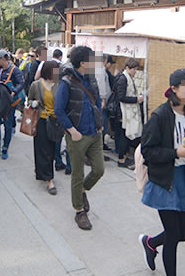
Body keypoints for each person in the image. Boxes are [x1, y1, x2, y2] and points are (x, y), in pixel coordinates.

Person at [139, 68, 185, 276]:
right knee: (174, 235)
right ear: (174, 89)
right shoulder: (159, 116)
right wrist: (176, 152)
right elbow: (147, 151)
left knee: (184, 234)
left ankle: (150, 243)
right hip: (165, 181)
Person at [54, 45, 105, 230]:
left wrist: (100, 123)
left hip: (95, 133)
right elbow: (58, 110)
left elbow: (97, 101)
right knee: (77, 174)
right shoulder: (66, 82)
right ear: (83, 63)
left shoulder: (92, 79)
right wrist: (71, 130)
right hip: (76, 135)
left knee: (99, 169)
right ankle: (79, 211)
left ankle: (83, 190)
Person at [28, 60, 61, 195]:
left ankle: (42, 172)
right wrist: (34, 103)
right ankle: (49, 180)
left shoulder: (60, 85)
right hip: (41, 121)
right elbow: (29, 100)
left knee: (52, 149)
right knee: (43, 149)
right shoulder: (36, 85)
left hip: (56, 122)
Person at [114, 58, 145, 168]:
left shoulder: (126, 77)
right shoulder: (123, 79)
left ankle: (124, 156)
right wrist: (136, 99)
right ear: (127, 68)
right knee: (125, 135)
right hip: (124, 111)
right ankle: (121, 159)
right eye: (133, 69)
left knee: (126, 135)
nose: (135, 72)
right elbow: (121, 97)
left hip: (127, 110)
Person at [0, 50, 25, 159]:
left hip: (9, 103)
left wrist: (14, 92)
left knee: (8, 126)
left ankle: (5, 148)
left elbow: (21, 83)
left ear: (3, 59)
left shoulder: (14, 70)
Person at [95, 54, 114, 151]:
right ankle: (99, 146)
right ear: (105, 61)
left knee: (102, 123)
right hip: (101, 101)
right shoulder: (101, 70)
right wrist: (103, 99)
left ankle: (101, 145)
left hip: (100, 100)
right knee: (103, 124)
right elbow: (101, 85)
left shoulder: (98, 69)